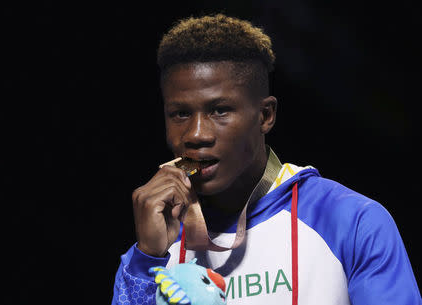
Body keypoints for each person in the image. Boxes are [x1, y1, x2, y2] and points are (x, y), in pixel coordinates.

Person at [111, 14, 420, 305]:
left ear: (265, 115)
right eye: (180, 114)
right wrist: (147, 259)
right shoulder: (157, 243)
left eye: (219, 110)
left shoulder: (350, 221)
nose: (196, 134)